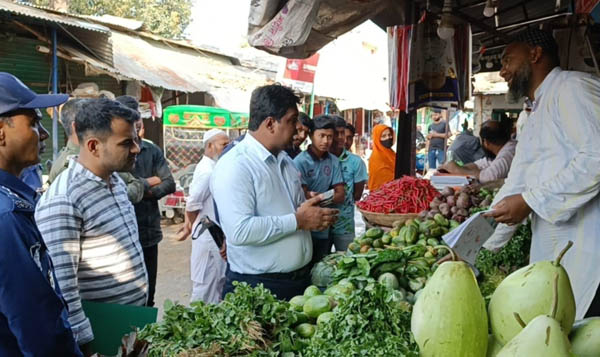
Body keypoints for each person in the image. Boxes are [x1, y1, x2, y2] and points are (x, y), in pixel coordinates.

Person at [484, 29, 600, 319]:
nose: (502, 71)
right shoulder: (531, 113)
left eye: (508, 60)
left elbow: (595, 157)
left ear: (535, 54)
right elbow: (518, 182)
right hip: (552, 250)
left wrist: (530, 201)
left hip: (588, 248)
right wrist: (480, 245)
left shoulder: (572, 88)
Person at [36, 98, 149, 352]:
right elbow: (63, 287)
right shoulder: (65, 199)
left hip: (127, 324)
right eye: (126, 143)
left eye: (136, 140)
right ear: (94, 146)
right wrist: (86, 343)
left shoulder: (115, 181)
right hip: (100, 334)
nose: (136, 149)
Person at [211, 84, 339, 300]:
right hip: (259, 289)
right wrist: (298, 220)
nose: (297, 129)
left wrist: (310, 207)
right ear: (270, 123)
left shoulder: (285, 161)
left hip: (296, 283)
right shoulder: (236, 165)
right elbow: (239, 231)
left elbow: (291, 210)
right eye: (291, 121)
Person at [0, 72, 82, 356]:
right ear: (0, 131)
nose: (44, 132)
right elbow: (36, 325)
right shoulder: (8, 215)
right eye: (33, 123)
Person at [116, 95, 176, 307]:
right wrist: (147, 182)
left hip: (149, 232)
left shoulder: (152, 150)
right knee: (125, 296)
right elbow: (116, 189)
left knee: (148, 294)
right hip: (120, 237)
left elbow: (169, 183)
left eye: (137, 119)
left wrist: (140, 190)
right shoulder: (111, 153)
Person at [47, 98, 145, 203]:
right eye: (98, 121)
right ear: (77, 127)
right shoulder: (64, 195)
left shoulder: (113, 179)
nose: (136, 149)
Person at [176, 129, 229, 303]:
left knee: (216, 286)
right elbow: (192, 203)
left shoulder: (215, 167)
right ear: (209, 146)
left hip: (214, 235)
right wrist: (188, 225)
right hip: (208, 236)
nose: (227, 148)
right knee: (205, 288)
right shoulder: (208, 172)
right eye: (224, 145)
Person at [294, 115, 345, 263]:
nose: (325, 141)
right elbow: (301, 195)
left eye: (329, 137)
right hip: (304, 227)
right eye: (321, 136)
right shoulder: (299, 162)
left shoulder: (334, 161)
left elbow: (341, 194)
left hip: (324, 226)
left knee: (322, 264)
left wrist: (315, 197)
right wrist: (327, 196)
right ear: (311, 135)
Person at [329, 117, 368, 251]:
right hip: (321, 226)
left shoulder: (355, 162)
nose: (342, 139)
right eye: (337, 134)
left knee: (345, 261)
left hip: (345, 224)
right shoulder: (321, 159)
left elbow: (357, 195)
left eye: (345, 135)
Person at [440, 119, 516, 183]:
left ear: (486, 142)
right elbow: (480, 164)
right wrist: (453, 168)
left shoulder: (509, 152)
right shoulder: (502, 150)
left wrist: (457, 169)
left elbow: (489, 177)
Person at [368, 124, 396, 191]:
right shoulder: (376, 158)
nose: (388, 138)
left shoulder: (391, 153)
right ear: (377, 139)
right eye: (383, 136)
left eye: (389, 135)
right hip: (382, 197)